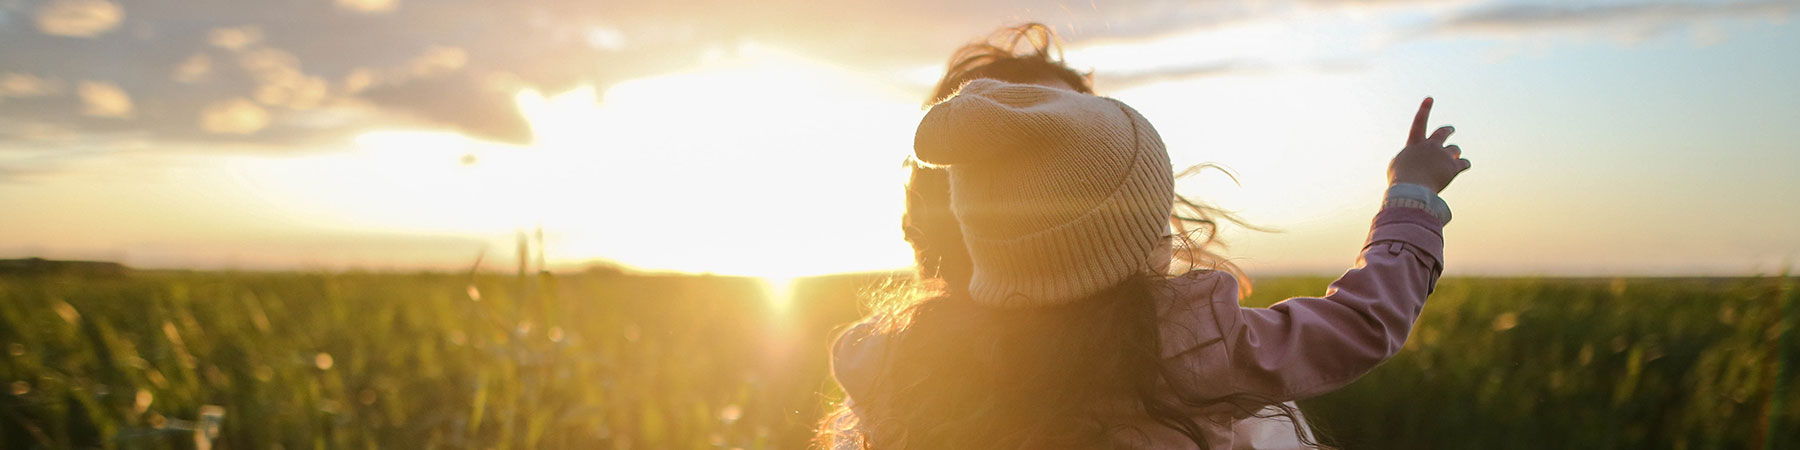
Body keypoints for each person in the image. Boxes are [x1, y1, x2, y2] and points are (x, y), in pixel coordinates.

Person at [820, 72, 1465, 448]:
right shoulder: (1187, 342)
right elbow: (1359, 324)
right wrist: (1411, 196)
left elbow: (856, 352)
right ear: (1129, 237)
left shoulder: (910, 354)